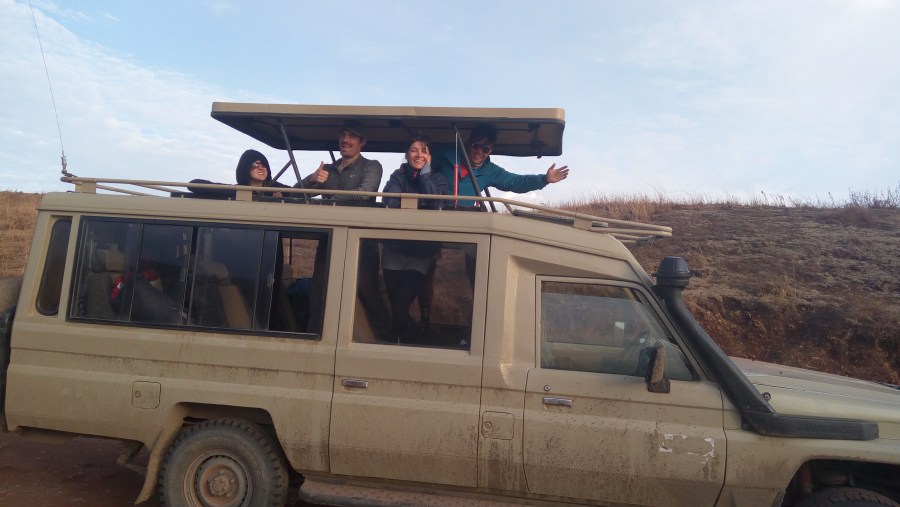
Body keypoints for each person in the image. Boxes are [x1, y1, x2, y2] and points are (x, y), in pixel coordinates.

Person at [379, 136, 448, 343]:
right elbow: (390, 201)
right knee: (395, 310)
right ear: (407, 155)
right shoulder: (397, 176)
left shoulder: (438, 178)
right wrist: (401, 178)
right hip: (395, 248)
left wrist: (424, 176)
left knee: (400, 308)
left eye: (424, 151)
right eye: (414, 150)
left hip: (421, 252)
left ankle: (424, 342)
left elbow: (436, 204)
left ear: (430, 157)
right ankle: (397, 347)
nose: (419, 155)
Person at [432, 123, 569, 205]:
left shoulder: (490, 171)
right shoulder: (444, 154)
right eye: (476, 145)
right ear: (468, 143)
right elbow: (421, 164)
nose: (479, 151)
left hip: (464, 221)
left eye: (485, 149)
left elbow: (516, 182)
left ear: (490, 151)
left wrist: (544, 179)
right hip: (435, 215)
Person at [300, 119, 383, 202]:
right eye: (343, 135)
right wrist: (310, 179)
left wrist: (331, 201)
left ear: (362, 142)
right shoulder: (327, 169)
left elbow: (364, 193)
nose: (345, 140)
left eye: (352, 136)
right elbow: (294, 194)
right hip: (327, 214)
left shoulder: (371, 166)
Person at [189, 149, 287, 198]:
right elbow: (194, 184)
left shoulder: (275, 188)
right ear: (245, 168)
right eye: (255, 164)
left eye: (263, 164)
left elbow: (298, 192)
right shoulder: (237, 191)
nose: (261, 168)